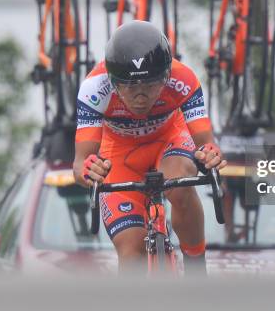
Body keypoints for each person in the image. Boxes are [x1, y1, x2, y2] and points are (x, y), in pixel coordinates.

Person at [73, 20, 227, 273]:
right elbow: (80, 164)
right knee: (131, 254)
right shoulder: (94, 88)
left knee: (179, 185)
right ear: (112, 80)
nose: (141, 96)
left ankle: (197, 269)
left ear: (166, 76)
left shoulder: (184, 79)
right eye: (130, 85)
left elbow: (207, 145)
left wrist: (211, 155)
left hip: (169, 141)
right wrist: (89, 170)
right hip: (119, 155)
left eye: (151, 84)